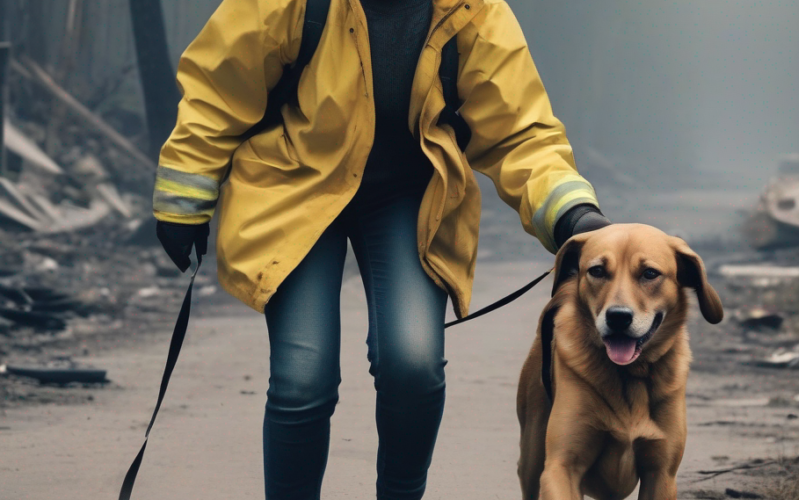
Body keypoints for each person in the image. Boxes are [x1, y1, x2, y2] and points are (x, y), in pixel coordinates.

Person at [152, 0, 610, 498]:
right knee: (303, 379)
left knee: (413, 365)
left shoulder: (473, 11)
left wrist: (572, 212)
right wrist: (185, 196)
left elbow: (520, 130)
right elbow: (219, 89)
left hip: (409, 196)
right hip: (296, 185)